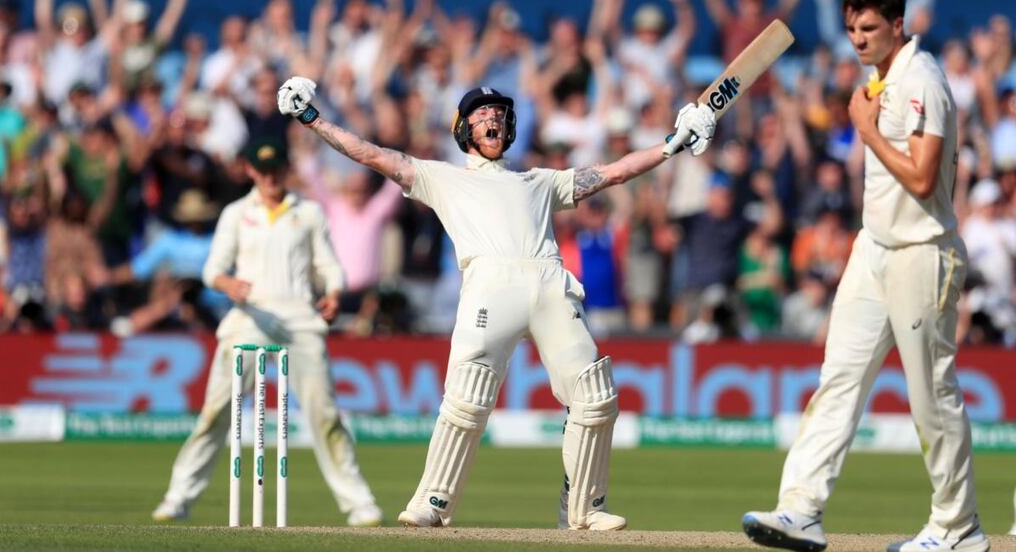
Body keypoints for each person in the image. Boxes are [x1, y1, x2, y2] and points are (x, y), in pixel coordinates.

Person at [276, 76, 715, 529]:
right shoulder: (441, 177)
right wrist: (313, 119)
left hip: (549, 281)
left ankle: (584, 510)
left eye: (499, 114)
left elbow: (613, 172)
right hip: (489, 283)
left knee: (596, 398)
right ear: (464, 129)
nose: (493, 119)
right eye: (482, 115)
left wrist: (672, 143)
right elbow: (370, 153)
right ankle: (433, 502)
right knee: (466, 402)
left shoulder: (539, 180)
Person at [742, 0, 988, 552]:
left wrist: (866, 132)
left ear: (898, 25)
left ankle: (958, 527)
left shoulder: (921, 79)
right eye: (852, 29)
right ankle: (800, 510)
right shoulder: (879, 77)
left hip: (923, 253)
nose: (857, 39)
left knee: (930, 395)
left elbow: (925, 178)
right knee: (838, 380)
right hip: (873, 249)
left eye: (869, 29)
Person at [151, 139, 383, 527]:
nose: (271, 176)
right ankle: (178, 498)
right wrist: (228, 284)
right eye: (264, 171)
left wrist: (334, 292)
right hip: (249, 320)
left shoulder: (308, 212)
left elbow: (329, 265)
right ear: (252, 172)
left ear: (285, 170)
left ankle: (359, 504)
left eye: (277, 169)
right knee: (215, 413)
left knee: (325, 415)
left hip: (299, 320)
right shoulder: (236, 213)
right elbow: (212, 269)